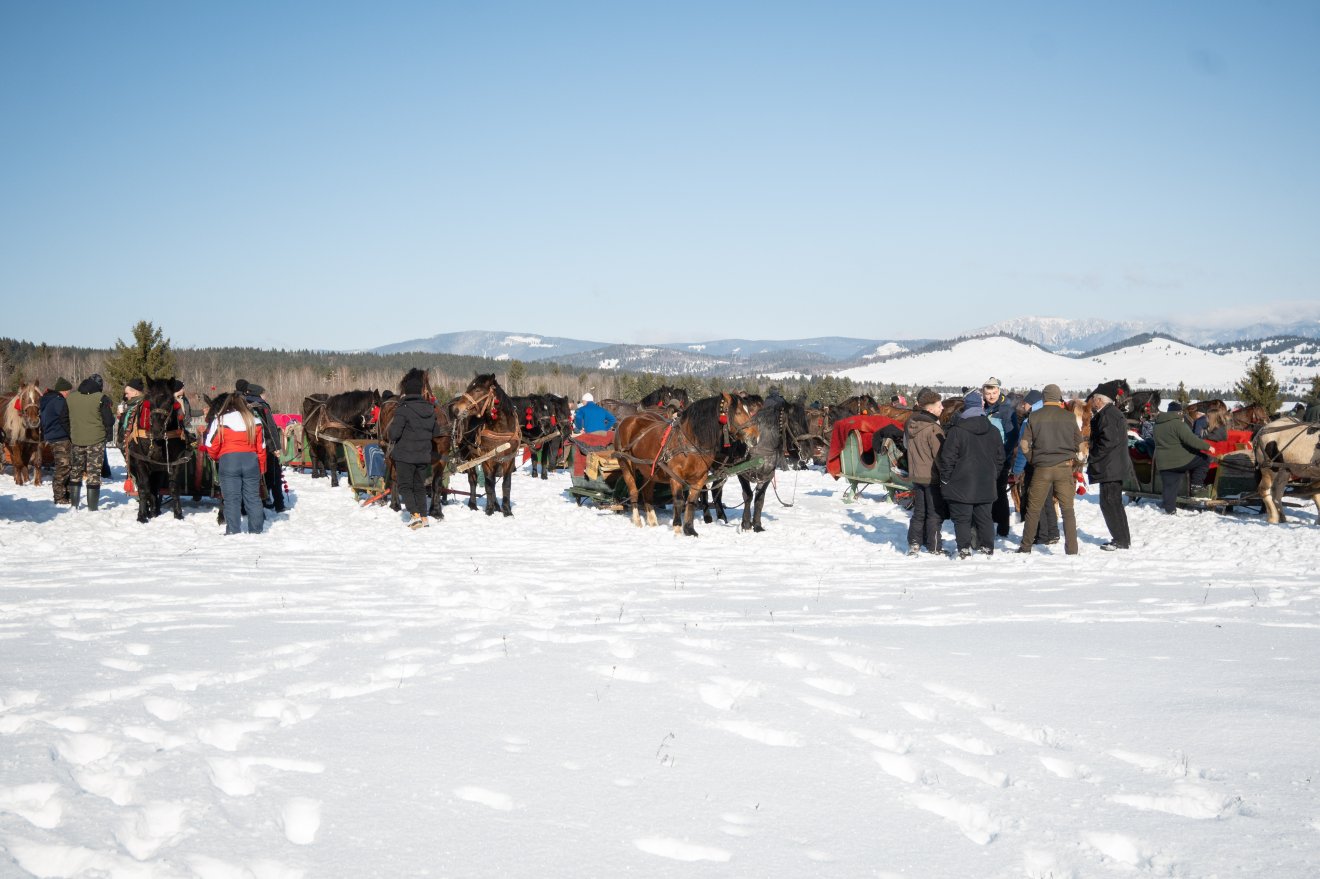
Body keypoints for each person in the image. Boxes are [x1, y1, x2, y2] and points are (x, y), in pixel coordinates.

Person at [1017, 384, 1083, 555]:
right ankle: (1072, 549)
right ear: (1058, 397)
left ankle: (1025, 546)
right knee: (1067, 510)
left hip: (1042, 468)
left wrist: (1033, 459)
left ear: (1044, 398)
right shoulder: (1069, 417)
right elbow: (1081, 446)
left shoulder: (1034, 416)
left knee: (1033, 509)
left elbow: (1024, 444)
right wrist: (1075, 459)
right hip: (1064, 468)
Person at [938, 390, 1004, 559]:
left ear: (965, 407)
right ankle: (987, 547)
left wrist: (946, 478)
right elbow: (1000, 458)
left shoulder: (956, 431)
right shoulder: (993, 431)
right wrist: (993, 475)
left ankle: (964, 549)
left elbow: (947, 458)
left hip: (961, 483)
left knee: (962, 519)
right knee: (985, 518)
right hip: (986, 482)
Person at [387, 370, 443, 529]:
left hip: (405, 456)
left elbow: (394, 434)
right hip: (423, 456)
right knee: (419, 486)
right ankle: (424, 517)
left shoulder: (403, 409)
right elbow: (436, 433)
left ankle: (415, 515)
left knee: (405, 486)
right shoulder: (430, 409)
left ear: (406, 392)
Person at [203, 392, 267, 535]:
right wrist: (261, 468)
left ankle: (233, 531)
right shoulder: (255, 421)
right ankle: (256, 531)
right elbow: (261, 448)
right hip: (251, 462)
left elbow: (211, 445)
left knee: (232, 499)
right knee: (253, 498)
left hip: (229, 462)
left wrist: (217, 458)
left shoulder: (220, 420)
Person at [1009, 390, 1060, 546]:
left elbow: (1023, 450)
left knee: (1036, 500)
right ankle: (1053, 532)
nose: (1023, 405)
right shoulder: (1053, 418)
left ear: (1031, 403)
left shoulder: (1028, 421)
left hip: (1035, 466)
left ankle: (1042, 535)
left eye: (1025, 402)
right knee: (1047, 499)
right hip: (1053, 465)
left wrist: (1017, 470)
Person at [1087, 388, 1133, 551]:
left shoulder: (1108, 414)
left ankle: (1120, 540)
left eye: (1093, 399)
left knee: (1109, 503)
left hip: (1109, 466)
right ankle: (1123, 539)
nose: (1092, 401)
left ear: (1100, 400)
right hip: (1112, 466)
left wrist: (1092, 455)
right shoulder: (1111, 413)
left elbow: (1108, 440)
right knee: (1114, 503)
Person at [903, 388, 946, 555]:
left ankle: (914, 542)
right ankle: (934, 546)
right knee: (934, 513)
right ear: (930, 409)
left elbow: (906, 446)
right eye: (939, 405)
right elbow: (940, 456)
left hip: (916, 475)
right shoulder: (933, 428)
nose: (942, 408)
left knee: (919, 511)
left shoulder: (911, 424)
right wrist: (945, 475)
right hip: (931, 476)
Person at [1152, 402, 1216, 511]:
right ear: (1178, 412)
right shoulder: (1178, 424)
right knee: (1204, 459)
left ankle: (1170, 510)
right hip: (1180, 461)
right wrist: (1208, 447)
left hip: (1164, 463)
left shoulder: (1157, 425)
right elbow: (1191, 440)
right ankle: (1196, 486)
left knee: (1169, 487)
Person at [66, 374, 115, 511]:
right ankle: (92, 508)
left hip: (76, 439)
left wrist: (71, 433)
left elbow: (63, 418)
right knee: (94, 474)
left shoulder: (71, 397)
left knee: (75, 471)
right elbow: (109, 421)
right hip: (96, 441)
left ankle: (74, 504)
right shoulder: (101, 398)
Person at [236, 379, 285, 513]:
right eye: (264, 394)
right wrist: (276, 447)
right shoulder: (262, 406)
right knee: (273, 474)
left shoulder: (239, 404)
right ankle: (278, 503)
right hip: (265, 446)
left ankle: (244, 506)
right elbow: (271, 428)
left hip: (245, 447)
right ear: (258, 394)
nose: (265, 396)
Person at [39, 378, 74, 505]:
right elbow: (65, 418)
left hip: (53, 436)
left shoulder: (48, 400)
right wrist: (71, 433)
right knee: (63, 467)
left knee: (65, 466)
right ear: (64, 391)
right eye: (68, 392)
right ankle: (59, 496)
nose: (68, 394)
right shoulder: (59, 401)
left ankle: (66, 494)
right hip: (61, 437)